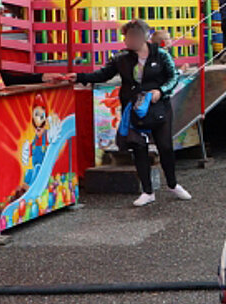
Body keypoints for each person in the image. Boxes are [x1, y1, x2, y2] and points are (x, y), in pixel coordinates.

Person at [52, 19, 190, 207]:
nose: (127, 41)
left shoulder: (161, 55)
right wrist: (79, 76)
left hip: (159, 107)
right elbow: (103, 74)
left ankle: (173, 184)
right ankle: (147, 191)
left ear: (144, 37)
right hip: (133, 109)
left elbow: (173, 76)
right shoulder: (121, 58)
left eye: (132, 37)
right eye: (126, 37)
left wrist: (161, 91)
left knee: (165, 146)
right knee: (138, 147)